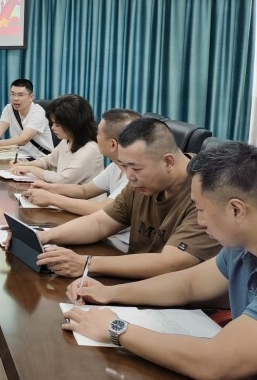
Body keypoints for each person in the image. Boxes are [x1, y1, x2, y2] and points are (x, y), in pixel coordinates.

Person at [63, 142, 257, 380]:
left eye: (200, 209)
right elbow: (188, 284)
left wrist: (116, 328)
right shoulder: (240, 247)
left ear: (236, 210)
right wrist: (108, 292)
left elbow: (216, 363)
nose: (200, 221)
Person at [35, 117, 220, 278]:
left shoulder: (206, 192)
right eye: (124, 166)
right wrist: (44, 237)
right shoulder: (140, 184)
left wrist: (86, 263)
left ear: (168, 162)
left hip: (178, 300)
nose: (129, 176)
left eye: (136, 168)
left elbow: (171, 263)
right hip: (137, 280)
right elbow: (101, 223)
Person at [23, 109, 140, 215]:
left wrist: (51, 198)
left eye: (98, 133)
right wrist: (48, 187)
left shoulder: (133, 177)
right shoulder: (115, 166)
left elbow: (103, 210)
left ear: (112, 144)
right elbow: (84, 191)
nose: (96, 136)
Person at [10, 94, 103, 184]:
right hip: (62, 196)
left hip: (82, 199)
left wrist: (31, 169)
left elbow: (62, 180)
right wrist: (26, 165)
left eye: (57, 125)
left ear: (73, 124)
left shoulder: (90, 149)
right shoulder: (68, 140)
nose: (53, 128)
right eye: (52, 123)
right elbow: (49, 161)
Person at [0, 78, 53, 159]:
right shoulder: (9, 108)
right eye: (13, 94)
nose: (15, 98)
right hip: (19, 157)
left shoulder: (38, 112)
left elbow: (23, 139)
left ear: (31, 97)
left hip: (41, 158)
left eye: (20, 95)